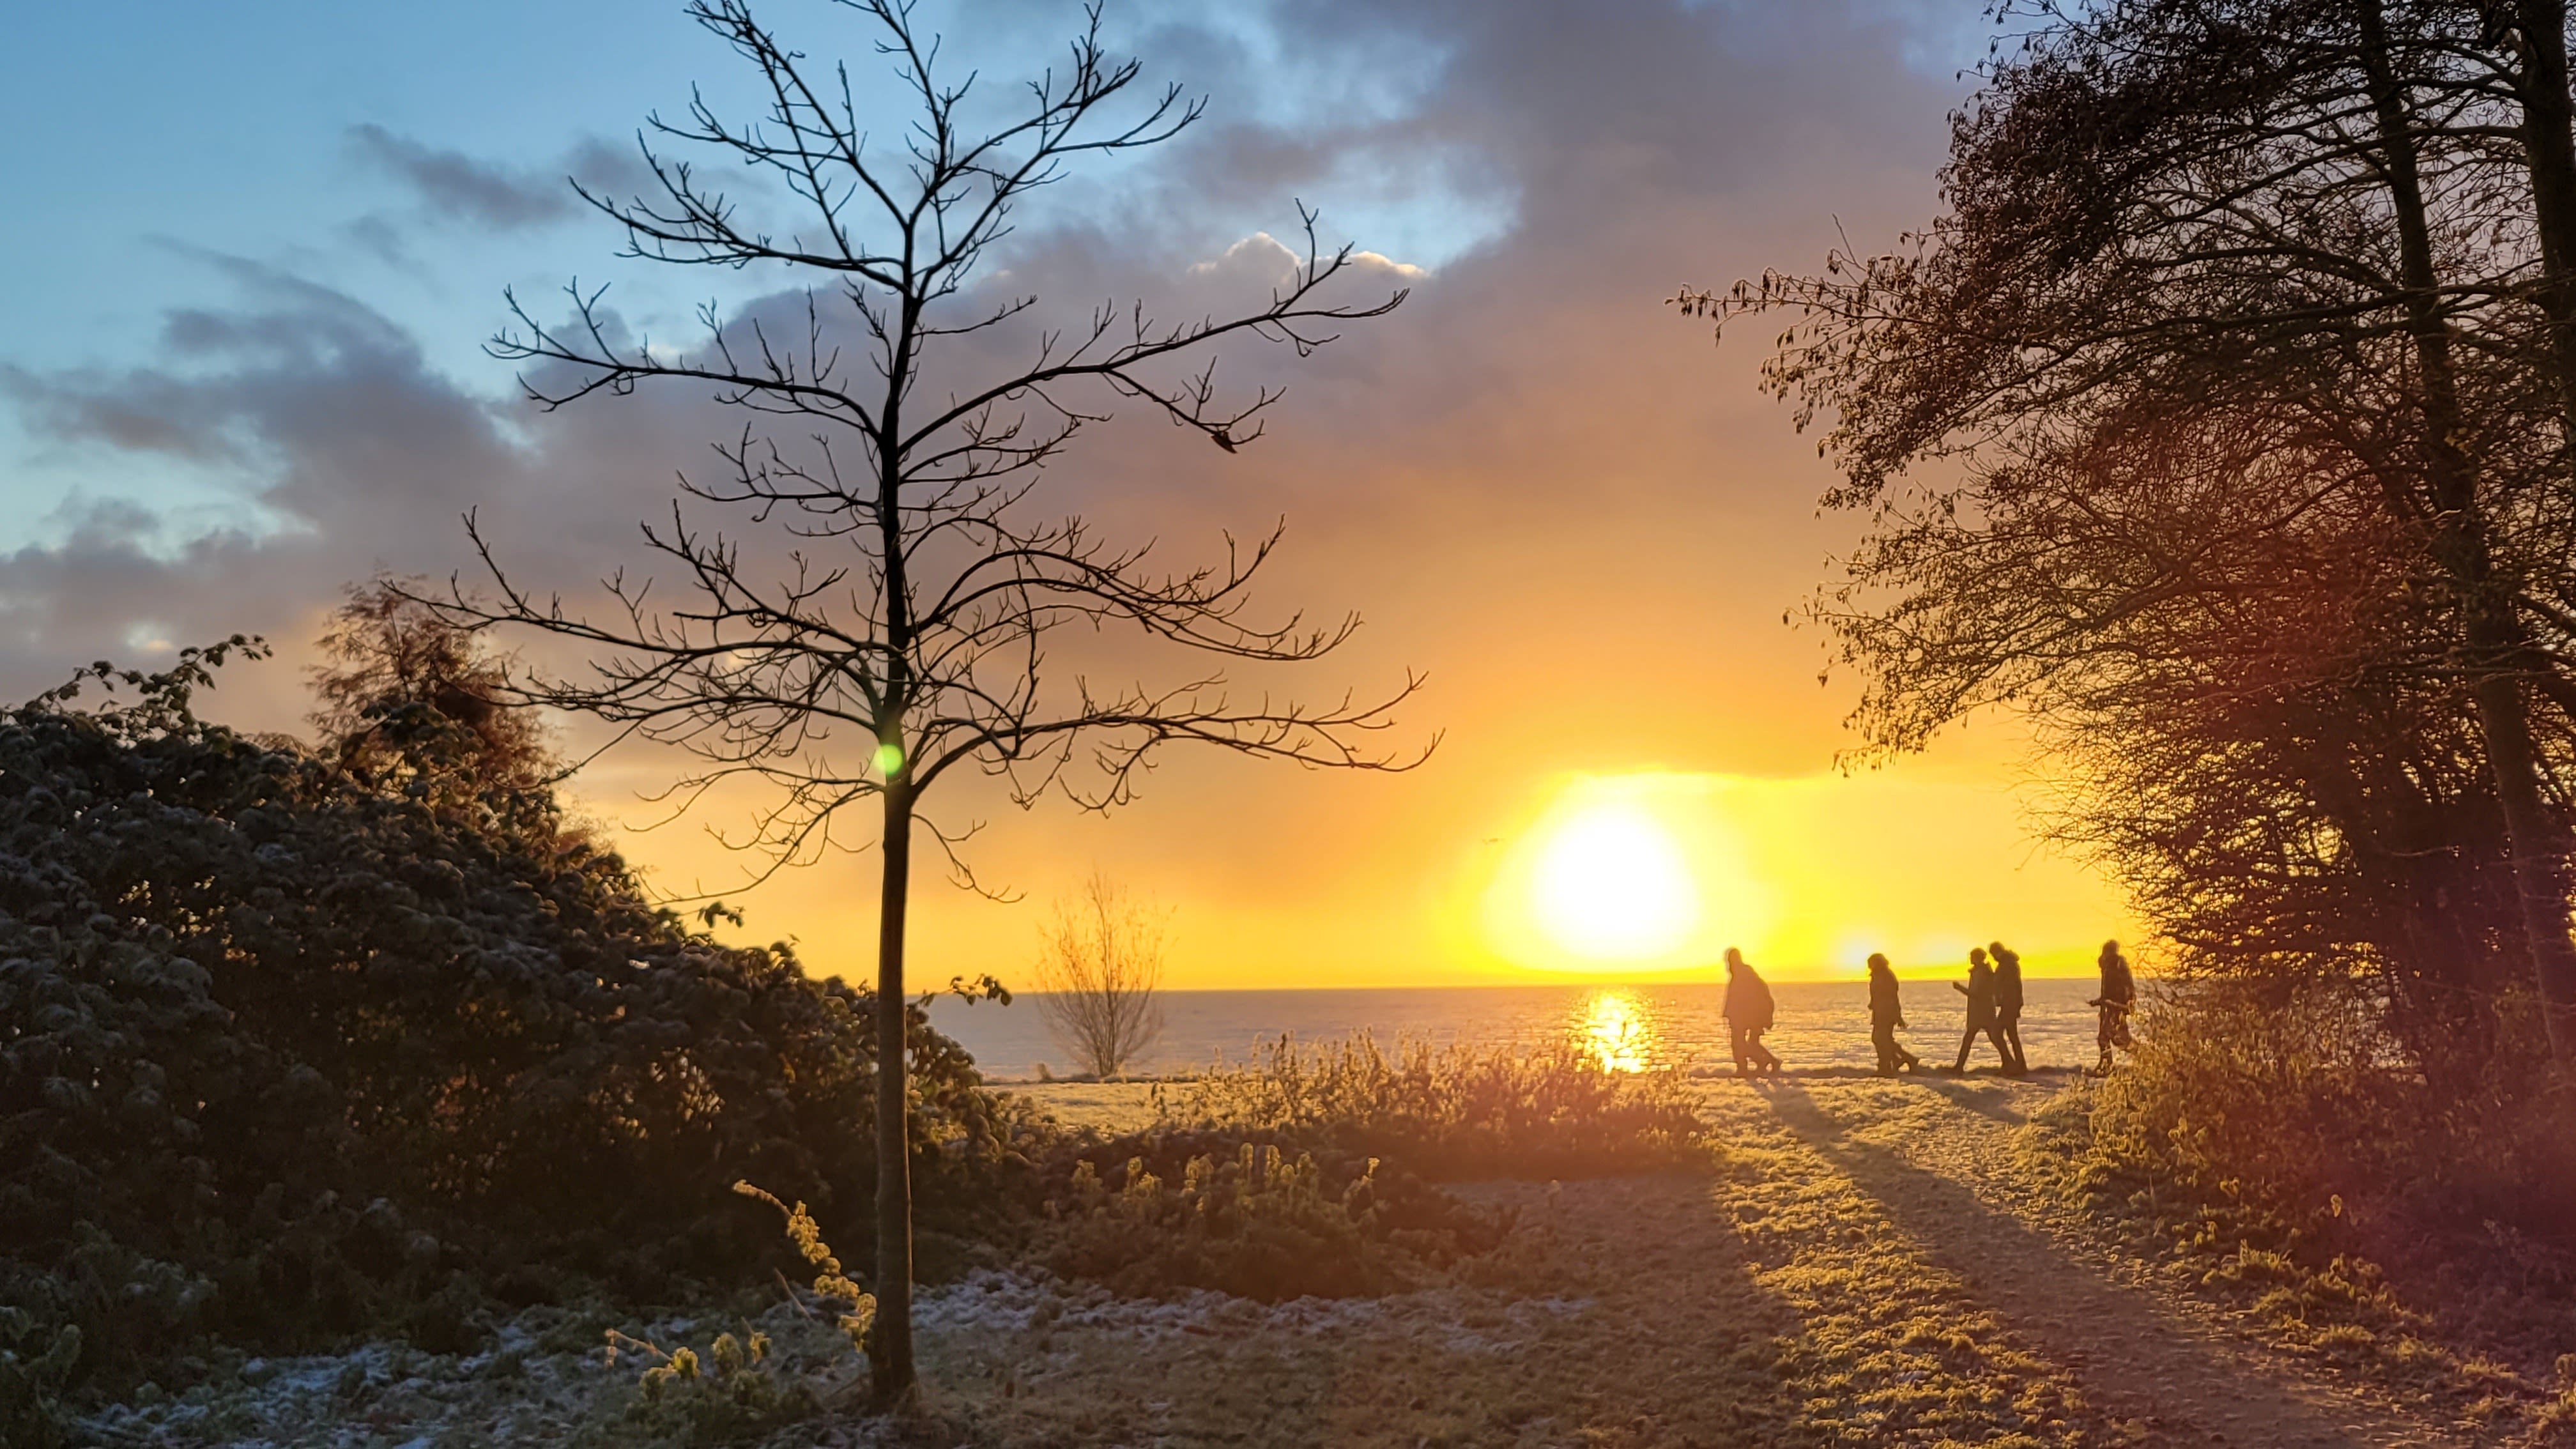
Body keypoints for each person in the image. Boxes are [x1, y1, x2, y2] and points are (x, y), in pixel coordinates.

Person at [1722, 946, 1783, 1078]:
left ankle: (1751, 1067)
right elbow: (1733, 998)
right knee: (1746, 1044)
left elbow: (1747, 997)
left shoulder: (1744, 974)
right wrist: (1728, 1012)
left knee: (1742, 1044)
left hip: (1752, 1016)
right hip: (1747, 1016)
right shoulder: (1740, 974)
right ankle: (1765, 1063)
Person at [1949, 947, 2012, 1073]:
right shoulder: (1980, 971)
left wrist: (1959, 988)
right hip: (1980, 1011)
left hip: (1982, 1011)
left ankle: (1959, 1067)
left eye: (1972, 957)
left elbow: (1976, 993)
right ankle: (2009, 1062)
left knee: (1979, 1038)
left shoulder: (1982, 973)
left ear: (1978, 958)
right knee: (1993, 1037)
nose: (1970, 959)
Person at [1866, 953, 1921, 1076]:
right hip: (1879, 1011)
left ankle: (1887, 1066)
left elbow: (1892, 996)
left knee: (1880, 1039)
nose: (1869, 966)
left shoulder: (1886, 976)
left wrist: (1897, 1015)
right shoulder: (1878, 975)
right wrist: (1873, 1003)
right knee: (1883, 1040)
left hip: (1887, 1012)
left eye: (1871, 963)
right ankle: (1899, 1061)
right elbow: (1877, 994)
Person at [2089, 939, 2136, 1075]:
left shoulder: (2117, 966)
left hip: (2116, 1008)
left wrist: (2124, 1005)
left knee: (2119, 1039)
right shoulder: (2109, 966)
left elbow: (2122, 989)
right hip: (2109, 1008)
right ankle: (2105, 1064)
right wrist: (2099, 1001)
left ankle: (2147, 1058)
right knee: (2105, 1037)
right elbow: (2107, 992)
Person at [1988, 940, 2029, 1076]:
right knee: (2011, 1035)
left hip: (2010, 1004)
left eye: (1993, 954)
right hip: (2009, 1003)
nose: (1993, 958)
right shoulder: (2007, 964)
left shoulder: (2008, 965)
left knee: (1997, 1032)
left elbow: (2011, 985)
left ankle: (2011, 1064)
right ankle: (2017, 1064)